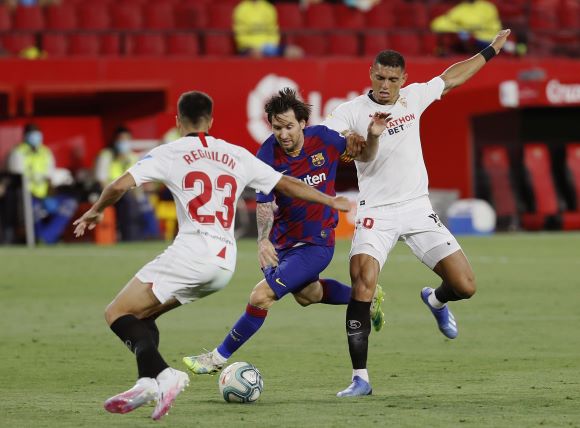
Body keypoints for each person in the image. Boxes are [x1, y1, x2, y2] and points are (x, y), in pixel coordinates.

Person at [72, 90, 351, 420]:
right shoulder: (235, 153)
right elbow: (286, 183)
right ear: (212, 120)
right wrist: (329, 200)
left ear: (178, 122)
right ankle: (147, 381)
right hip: (223, 264)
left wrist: (94, 211)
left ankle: (165, 375)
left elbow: (119, 186)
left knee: (116, 313)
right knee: (143, 316)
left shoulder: (170, 152)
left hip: (190, 254)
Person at [322, 29, 512, 397]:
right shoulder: (350, 111)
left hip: (416, 207)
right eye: (380, 76)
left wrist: (490, 51)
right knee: (363, 284)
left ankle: (436, 299)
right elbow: (347, 145)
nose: (386, 85)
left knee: (466, 286)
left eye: (393, 79)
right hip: (376, 211)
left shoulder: (414, 97)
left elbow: (453, 76)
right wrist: (349, 139)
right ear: (371, 74)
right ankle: (360, 378)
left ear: (403, 80)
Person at [182, 88, 391, 375]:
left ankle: (216, 358)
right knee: (309, 295)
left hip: (317, 243)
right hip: (284, 241)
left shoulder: (325, 139)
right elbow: (264, 203)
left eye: (289, 126)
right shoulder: (266, 153)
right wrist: (263, 240)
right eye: (277, 127)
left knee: (260, 296)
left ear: (303, 123)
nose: (283, 134)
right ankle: (366, 298)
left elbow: (365, 155)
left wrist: (374, 136)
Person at [7, 123, 77, 244]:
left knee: (69, 203)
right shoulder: (18, 152)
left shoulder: (45, 152)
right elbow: (17, 176)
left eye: (37, 134)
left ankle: (45, 238)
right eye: (32, 134)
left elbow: (50, 175)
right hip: (26, 195)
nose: (36, 138)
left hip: (45, 194)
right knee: (35, 210)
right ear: (25, 136)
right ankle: (43, 239)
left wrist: (50, 194)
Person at [94, 126, 159, 241]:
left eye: (126, 139)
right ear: (115, 141)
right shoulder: (106, 155)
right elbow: (101, 180)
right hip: (111, 192)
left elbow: (139, 178)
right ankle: (130, 237)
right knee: (129, 202)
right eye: (121, 140)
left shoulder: (132, 157)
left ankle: (153, 235)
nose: (124, 143)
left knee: (145, 203)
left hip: (130, 191)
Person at [233, 0, 303, 59]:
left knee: (294, 52)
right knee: (256, 55)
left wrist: (271, 45)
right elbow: (240, 33)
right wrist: (252, 47)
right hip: (248, 47)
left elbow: (273, 30)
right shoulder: (240, 9)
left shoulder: (269, 8)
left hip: (268, 46)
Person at [431, 0, 501, 53]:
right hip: (470, 41)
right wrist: (461, 28)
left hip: (488, 39)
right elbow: (438, 24)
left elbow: (495, 26)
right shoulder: (460, 9)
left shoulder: (487, 7)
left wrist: (475, 29)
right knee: (463, 34)